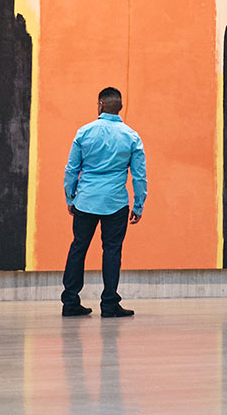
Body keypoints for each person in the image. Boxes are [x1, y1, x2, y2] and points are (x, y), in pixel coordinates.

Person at [61, 87, 147, 317]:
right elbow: (139, 176)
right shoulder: (131, 136)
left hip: (86, 200)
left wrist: (71, 197)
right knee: (111, 251)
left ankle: (70, 302)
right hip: (116, 203)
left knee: (78, 248)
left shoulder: (84, 132)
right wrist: (139, 204)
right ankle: (109, 304)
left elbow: (71, 169)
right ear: (120, 107)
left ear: (100, 105)